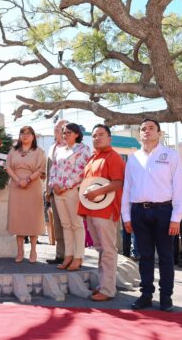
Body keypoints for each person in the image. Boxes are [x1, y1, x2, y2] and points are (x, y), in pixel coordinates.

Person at [122, 119, 182, 312]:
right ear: (139, 134)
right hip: (139, 212)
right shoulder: (133, 158)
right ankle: (146, 295)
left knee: (166, 256)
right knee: (145, 256)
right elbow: (127, 188)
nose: (146, 131)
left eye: (151, 128)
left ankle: (166, 297)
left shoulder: (171, 155)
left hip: (164, 212)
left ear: (159, 133)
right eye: (143, 129)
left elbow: (180, 187)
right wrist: (126, 216)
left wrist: (177, 216)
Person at [78, 124, 126, 301]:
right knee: (100, 249)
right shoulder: (92, 158)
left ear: (109, 138)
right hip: (92, 209)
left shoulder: (114, 157)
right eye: (94, 135)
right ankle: (103, 285)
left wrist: (96, 193)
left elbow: (118, 182)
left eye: (101, 135)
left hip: (106, 210)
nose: (97, 138)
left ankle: (107, 289)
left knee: (107, 250)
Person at [48, 123, 90, 270]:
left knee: (76, 225)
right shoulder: (59, 150)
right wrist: (54, 184)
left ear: (77, 134)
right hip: (58, 191)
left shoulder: (83, 149)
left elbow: (80, 171)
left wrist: (65, 186)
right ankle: (68, 256)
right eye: (64, 132)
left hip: (72, 191)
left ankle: (78, 258)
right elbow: (53, 169)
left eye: (69, 133)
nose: (65, 135)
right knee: (65, 225)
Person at [5, 126, 46, 263]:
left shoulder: (39, 151)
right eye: (22, 133)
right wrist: (18, 180)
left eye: (28, 133)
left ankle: (33, 250)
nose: (25, 136)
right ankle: (20, 251)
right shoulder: (13, 150)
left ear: (33, 136)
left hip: (33, 186)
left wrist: (28, 179)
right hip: (16, 187)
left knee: (32, 218)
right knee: (18, 218)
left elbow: (41, 169)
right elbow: (8, 167)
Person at [45, 119, 68, 264]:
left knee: (69, 225)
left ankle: (71, 254)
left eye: (61, 127)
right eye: (56, 127)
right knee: (58, 225)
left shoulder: (72, 147)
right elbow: (48, 170)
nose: (57, 129)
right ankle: (60, 254)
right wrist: (47, 191)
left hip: (67, 191)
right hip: (53, 192)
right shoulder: (52, 147)